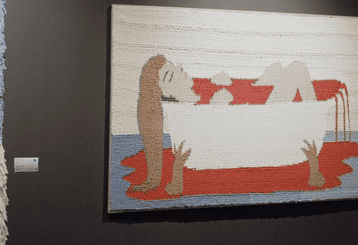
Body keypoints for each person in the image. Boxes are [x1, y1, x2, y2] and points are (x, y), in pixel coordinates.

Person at [132, 55, 325, 196]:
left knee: (296, 68)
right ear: (165, 94)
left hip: (260, 124)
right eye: (170, 76)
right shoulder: (192, 113)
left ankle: (312, 124)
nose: (180, 69)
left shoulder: (198, 99)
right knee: (298, 68)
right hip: (261, 129)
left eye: (175, 66)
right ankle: (312, 125)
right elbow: (224, 132)